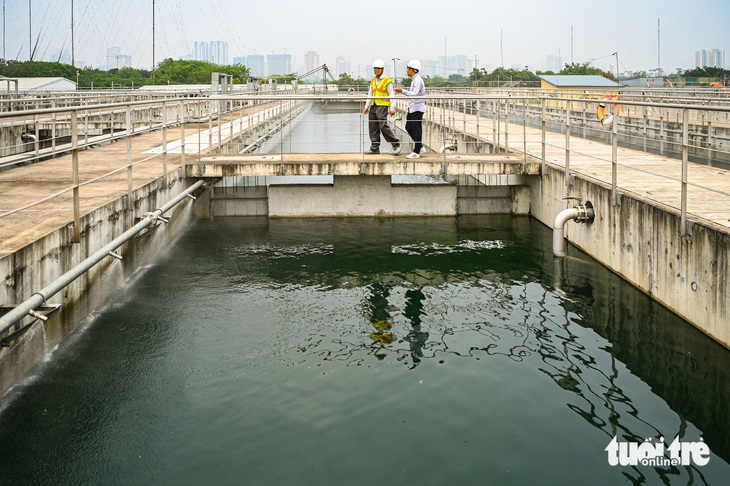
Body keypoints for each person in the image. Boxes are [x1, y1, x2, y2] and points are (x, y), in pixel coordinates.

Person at [363, 59, 401, 155]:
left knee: (383, 125)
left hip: (382, 106)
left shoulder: (387, 80)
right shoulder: (372, 80)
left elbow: (391, 94)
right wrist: (366, 106)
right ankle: (374, 148)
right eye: (375, 68)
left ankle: (396, 144)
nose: (376, 70)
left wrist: (392, 108)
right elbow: (370, 94)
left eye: (378, 69)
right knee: (373, 127)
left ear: (382, 69)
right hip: (374, 105)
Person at [394, 59, 426, 159]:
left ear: (413, 70)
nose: (407, 70)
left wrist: (402, 91)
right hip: (412, 108)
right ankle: (420, 146)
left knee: (417, 129)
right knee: (408, 127)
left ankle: (416, 151)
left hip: (417, 108)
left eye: (408, 69)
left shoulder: (418, 80)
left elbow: (415, 94)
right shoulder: (414, 80)